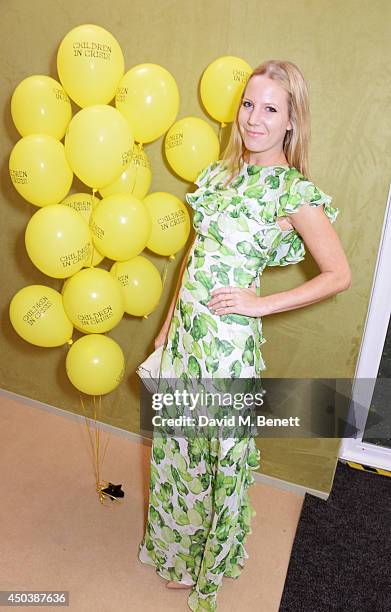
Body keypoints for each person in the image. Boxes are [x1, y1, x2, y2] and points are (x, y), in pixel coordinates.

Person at [137, 59, 351, 611]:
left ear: (290, 122)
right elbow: (193, 257)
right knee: (178, 451)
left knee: (217, 458)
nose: (255, 118)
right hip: (186, 337)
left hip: (228, 346)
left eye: (271, 109)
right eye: (249, 104)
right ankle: (177, 552)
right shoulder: (217, 175)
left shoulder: (290, 191)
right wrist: (165, 332)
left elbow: (338, 274)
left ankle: (209, 561)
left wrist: (259, 304)